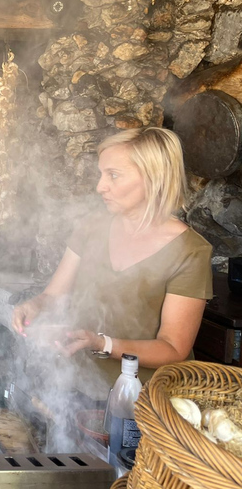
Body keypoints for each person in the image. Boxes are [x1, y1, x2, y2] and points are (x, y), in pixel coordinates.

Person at [12, 127, 213, 399]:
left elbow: (173, 348)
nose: (100, 186)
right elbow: (53, 295)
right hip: (79, 387)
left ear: (154, 179)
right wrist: (34, 305)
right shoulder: (91, 227)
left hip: (146, 403)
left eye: (113, 175)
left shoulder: (190, 251)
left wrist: (102, 343)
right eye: (101, 174)